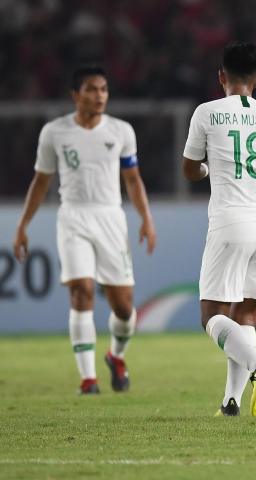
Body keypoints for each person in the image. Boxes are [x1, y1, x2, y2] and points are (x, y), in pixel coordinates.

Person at [13, 66, 156, 394]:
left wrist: (146, 219)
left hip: (110, 219)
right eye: (92, 89)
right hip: (73, 217)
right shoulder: (54, 132)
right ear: (75, 95)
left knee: (123, 306)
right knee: (81, 290)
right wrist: (23, 225)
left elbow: (132, 179)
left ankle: (116, 356)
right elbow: (41, 180)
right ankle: (88, 379)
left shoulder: (121, 131)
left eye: (104, 89)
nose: (100, 95)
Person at [182, 41, 256, 417]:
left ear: (221, 77)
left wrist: (208, 167)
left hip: (232, 221)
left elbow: (190, 169)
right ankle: (230, 401)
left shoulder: (207, 113)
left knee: (211, 316)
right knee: (245, 314)